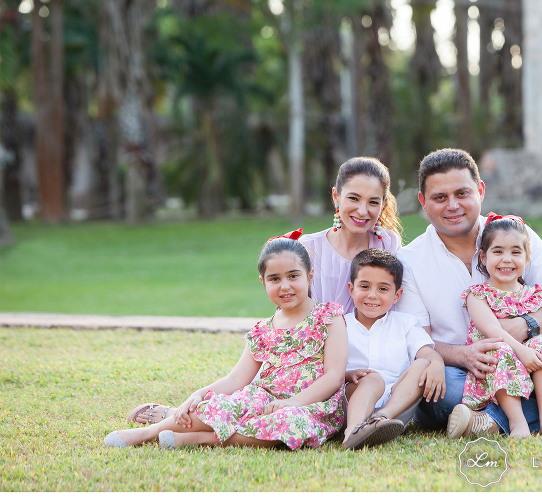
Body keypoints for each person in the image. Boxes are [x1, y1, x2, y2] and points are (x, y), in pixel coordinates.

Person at [397, 148, 542, 437]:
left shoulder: (515, 237)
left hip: (526, 365)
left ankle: (488, 423)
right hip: (464, 374)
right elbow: (418, 341)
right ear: (423, 202)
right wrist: (464, 355)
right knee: (434, 388)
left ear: (480, 190)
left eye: (462, 193)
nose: (452, 205)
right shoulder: (410, 260)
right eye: (440, 197)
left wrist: (523, 328)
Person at [105, 236, 346, 450]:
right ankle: (149, 432)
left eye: (293, 276)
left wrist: (293, 402)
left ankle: (202, 439)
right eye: (275, 278)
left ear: (310, 275)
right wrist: (198, 394)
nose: (285, 286)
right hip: (264, 399)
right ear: (263, 282)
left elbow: (333, 376)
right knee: (219, 405)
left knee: (289, 424)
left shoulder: (328, 317)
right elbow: (236, 379)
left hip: (311, 405)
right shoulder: (263, 330)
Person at [449, 215, 542, 440]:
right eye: (498, 252)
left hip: (531, 365)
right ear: (483, 257)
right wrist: (521, 351)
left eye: (515, 252)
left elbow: (538, 332)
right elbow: (493, 331)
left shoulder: (534, 294)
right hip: (495, 363)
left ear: (527, 257)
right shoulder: (478, 295)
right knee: (501, 351)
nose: (507, 260)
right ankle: (517, 422)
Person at [342, 249, 445, 450]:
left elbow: (427, 353)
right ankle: (353, 432)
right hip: (354, 401)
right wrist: (348, 374)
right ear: (351, 289)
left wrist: (437, 363)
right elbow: (327, 369)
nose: (372, 295)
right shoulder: (340, 326)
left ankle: (380, 420)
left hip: (396, 409)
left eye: (383, 289)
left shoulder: (405, 323)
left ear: (397, 295)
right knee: (373, 379)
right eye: (364, 286)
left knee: (424, 363)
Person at [302, 157, 402, 314]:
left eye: (373, 202)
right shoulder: (309, 248)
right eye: (354, 198)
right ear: (336, 196)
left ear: (383, 204)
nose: (362, 211)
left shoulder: (389, 244)